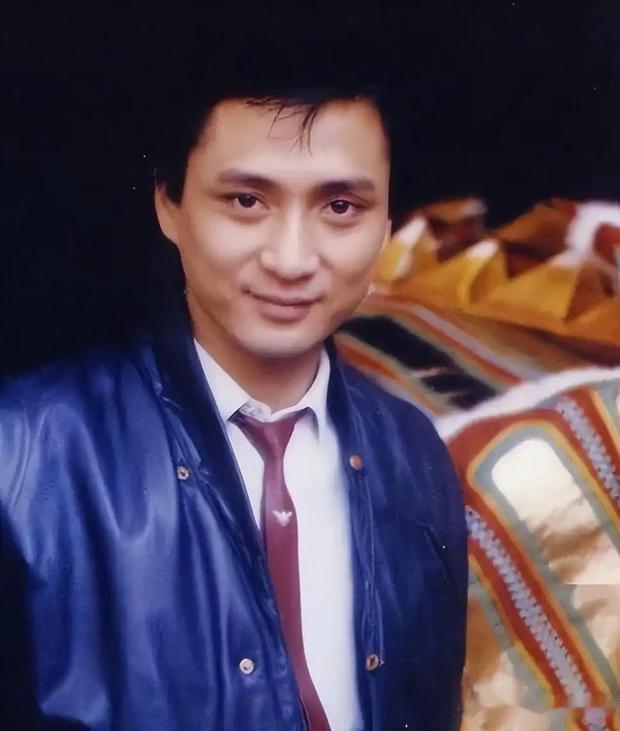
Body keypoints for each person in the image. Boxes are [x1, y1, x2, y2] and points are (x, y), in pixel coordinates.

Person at [0, 70, 468, 729]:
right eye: (247, 201)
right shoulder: (24, 457)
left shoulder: (413, 452)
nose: (291, 259)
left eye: (340, 207)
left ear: (387, 221)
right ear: (168, 203)